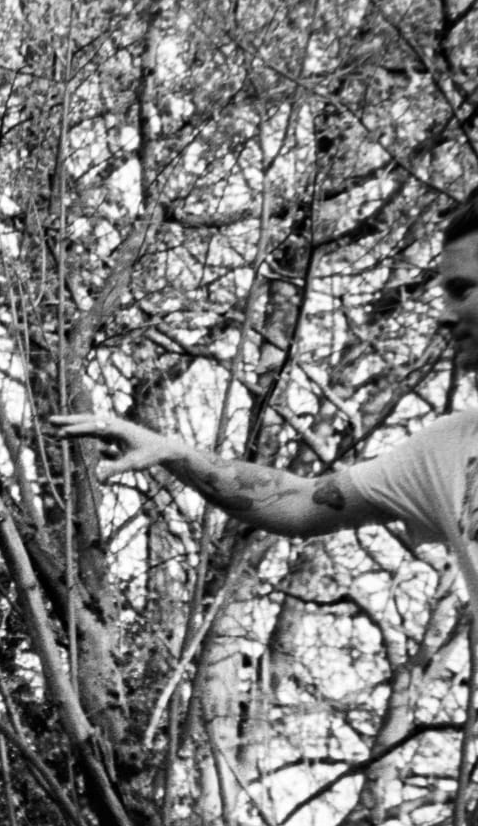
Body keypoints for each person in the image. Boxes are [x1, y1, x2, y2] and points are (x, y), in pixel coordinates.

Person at [55, 192, 478, 625]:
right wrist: (174, 452)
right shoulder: (446, 451)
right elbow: (298, 503)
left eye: (462, 290)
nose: (443, 317)